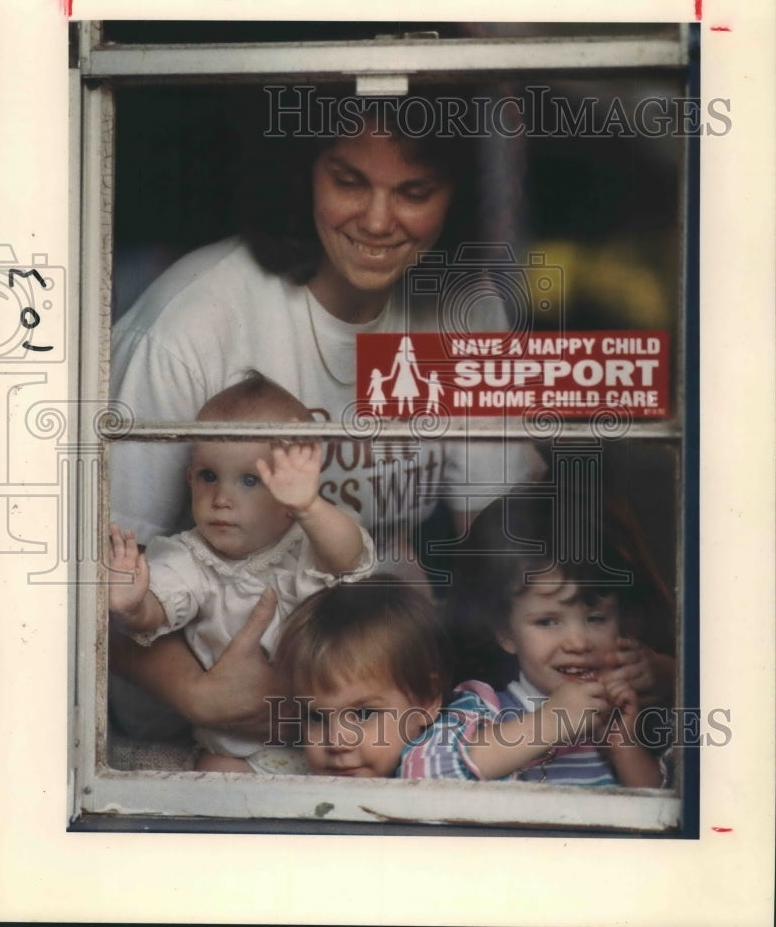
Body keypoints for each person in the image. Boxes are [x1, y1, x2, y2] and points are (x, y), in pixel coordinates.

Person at [109, 94, 543, 743]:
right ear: (303, 172)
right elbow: (93, 573)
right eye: (348, 182)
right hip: (186, 736)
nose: (377, 220)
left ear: (456, 195)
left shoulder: (462, 305)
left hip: (371, 722)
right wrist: (198, 693)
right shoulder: (191, 324)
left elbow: (502, 537)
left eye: (415, 191)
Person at [108, 372, 374, 770]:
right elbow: (160, 605)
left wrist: (310, 507)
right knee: (215, 775)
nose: (221, 498)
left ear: (290, 493)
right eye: (208, 476)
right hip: (236, 743)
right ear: (189, 479)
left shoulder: (309, 543)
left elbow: (348, 558)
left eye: (250, 480)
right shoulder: (191, 556)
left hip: (326, 733)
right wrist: (133, 604)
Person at [399, 494, 675, 785]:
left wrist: (623, 747)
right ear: (505, 633)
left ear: (623, 624)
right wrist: (549, 722)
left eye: (596, 619)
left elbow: (667, 812)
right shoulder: (484, 710)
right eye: (548, 622)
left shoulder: (628, 715)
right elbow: (420, 773)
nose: (578, 643)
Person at [274, 578, 450, 778]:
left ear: (426, 700)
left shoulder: (450, 769)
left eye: (364, 714)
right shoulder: (288, 779)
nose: (337, 742)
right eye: (315, 717)